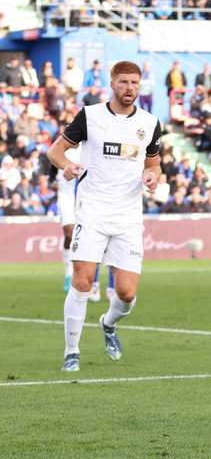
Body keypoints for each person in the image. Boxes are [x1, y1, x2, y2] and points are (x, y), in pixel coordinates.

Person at [48, 61, 162, 372]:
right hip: (93, 211)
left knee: (126, 293)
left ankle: (108, 324)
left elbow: (154, 165)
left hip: (127, 215)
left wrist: (153, 177)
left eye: (135, 83)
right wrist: (66, 165)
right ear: (112, 83)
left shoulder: (150, 123)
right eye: (124, 82)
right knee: (83, 281)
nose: (130, 88)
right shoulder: (91, 116)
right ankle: (72, 351)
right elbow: (55, 151)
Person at [56, 144, 113, 301]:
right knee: (69, 233)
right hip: (66, 196)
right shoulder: (60, 148)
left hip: (84, 195)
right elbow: (49, 169)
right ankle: (69, 272)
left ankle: (86, 278)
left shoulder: (87, 147)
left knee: (85, 236)